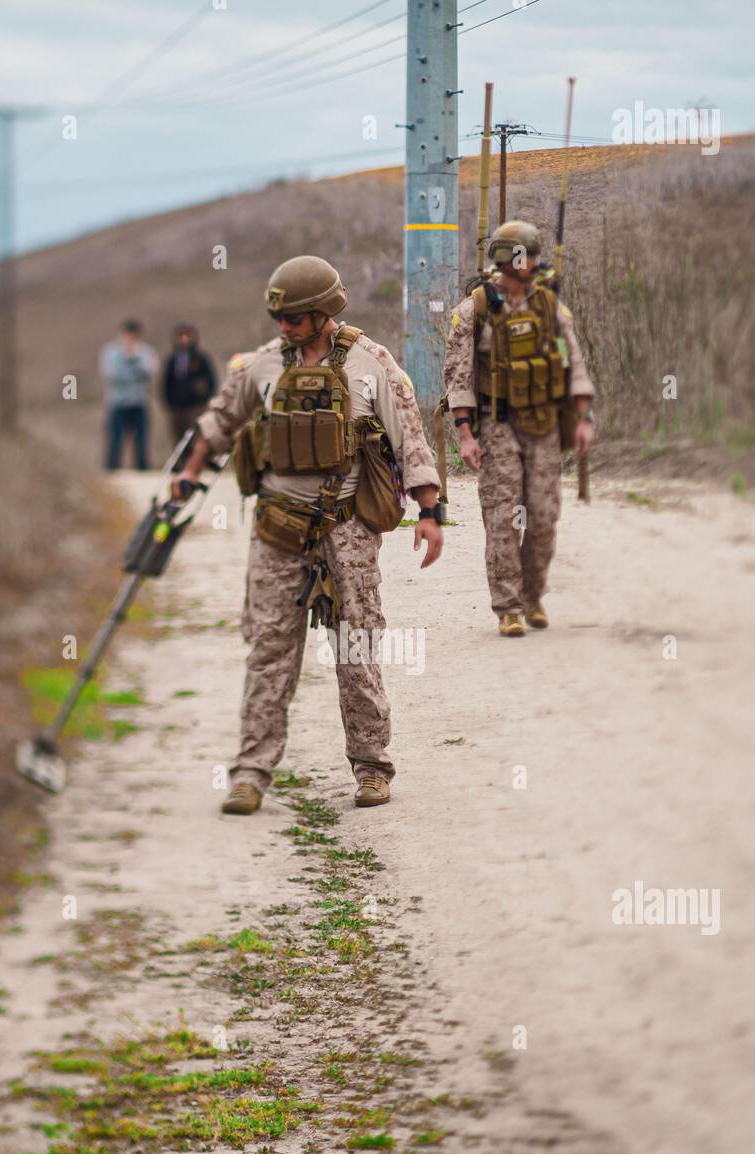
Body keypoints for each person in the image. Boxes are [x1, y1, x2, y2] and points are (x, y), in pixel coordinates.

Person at [173, 255, 444, 814]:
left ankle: (371, 767)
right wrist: (190, 470)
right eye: (280, 318)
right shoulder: (262, 366)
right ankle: (250, 772)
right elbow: (220, 420)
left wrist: (429, 511)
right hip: (278, 528)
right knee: (269, 650)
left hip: (346, 527)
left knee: (357, 646)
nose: (285, 328)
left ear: (323, 313)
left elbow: (409, 436)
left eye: (295, 318)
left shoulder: (372, 364)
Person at [443, 220, 594, 636]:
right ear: (512, 260)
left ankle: (533, 596)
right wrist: (465, 434)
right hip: (497, 424)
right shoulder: (474, 309)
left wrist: (582, 418)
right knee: (503, 517)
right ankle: (508, 606)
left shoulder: (549, 306)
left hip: (543, 423)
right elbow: (458, 376)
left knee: (543, 516)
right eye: (529, 256)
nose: (537, 263)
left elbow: (573, 362)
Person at [98, 319, 158, 471]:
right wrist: (129, 364)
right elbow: (112, 375)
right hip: (118, 402)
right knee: (115, 440)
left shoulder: (145, 352)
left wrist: (135, 359)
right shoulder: (110, 352)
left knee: (141, 441)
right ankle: (112, 470)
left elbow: (150, 372)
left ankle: (142, 470)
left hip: (140, 402)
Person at [162, 322, 217, 446]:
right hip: (177, 406)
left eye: (187, 336)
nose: (184, 339)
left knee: (194, 435)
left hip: (195, 405)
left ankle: (194, 462)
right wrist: (169, 402)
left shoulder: (200, 358)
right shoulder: (172, 359)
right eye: (181, 336)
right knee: (178, 437)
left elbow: (210, 380)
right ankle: (180, 463)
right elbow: (166, 382)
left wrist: (206, 398)